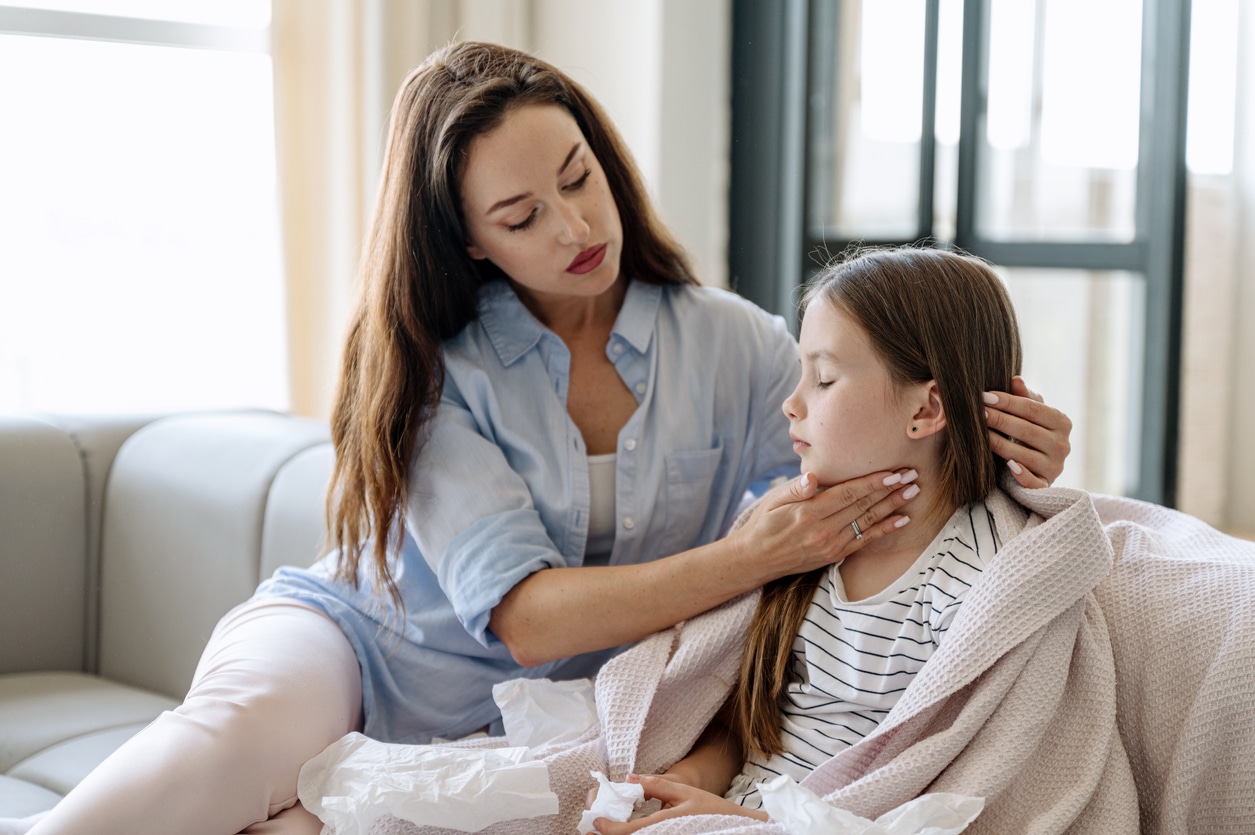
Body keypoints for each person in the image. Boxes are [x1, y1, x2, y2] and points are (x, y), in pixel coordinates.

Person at [24, 43, 1070, 835]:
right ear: (466, 238)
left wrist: (1009, 446)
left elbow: (881, 444)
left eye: (578, 177)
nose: (574, 229)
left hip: (572, 713)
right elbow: (524, 619)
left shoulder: (729, 344)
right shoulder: (433, 367)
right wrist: (748, 556)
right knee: (217, 758)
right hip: (360, 647)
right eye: (521, 216)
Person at [591, 245, 1045, 831]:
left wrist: (730, 820)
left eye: (823, 378)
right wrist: (686, 781)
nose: (792, 403)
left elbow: (936, 784)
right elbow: (745, 725)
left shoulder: (976, 581)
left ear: (926, 409)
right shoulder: (806, 542)